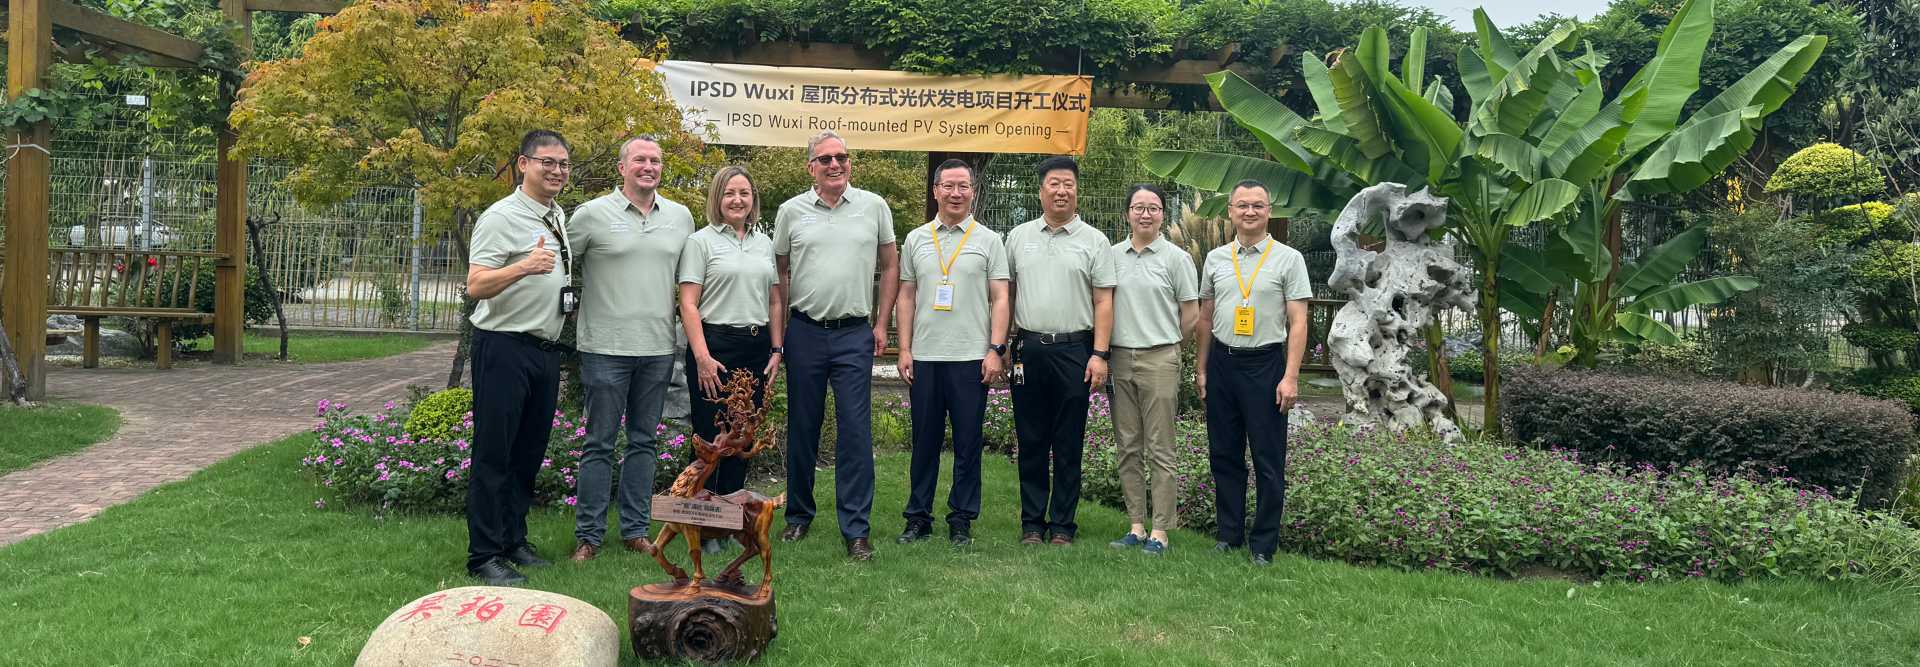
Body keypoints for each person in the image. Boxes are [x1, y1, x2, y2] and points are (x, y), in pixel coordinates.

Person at [563, 136, 695, 563]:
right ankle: (589, 536)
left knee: (644, 442)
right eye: (640, 159)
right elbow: (559, 266)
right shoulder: (591, 215)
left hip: (657, 347)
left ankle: (635, 531)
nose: (649, 166)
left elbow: (691, 281)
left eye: (655, 160)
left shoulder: (680, 217)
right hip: (605, 347)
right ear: (622, 167)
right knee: (599, 443)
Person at [773, 130, 898, 562]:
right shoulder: (790, 211)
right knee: (802, 426)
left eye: (841, 157)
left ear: (850, 163)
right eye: (825, 159)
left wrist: (881, 323)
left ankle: (856, 529)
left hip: (853, 334)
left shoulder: (874, 206)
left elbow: (890, 265)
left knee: (856, 432)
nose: (835, 164)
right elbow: (779, 272)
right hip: (805, 331)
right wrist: (781, 332)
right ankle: (798, 515)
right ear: (811, 167)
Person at [462, 129, 575, 585]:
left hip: (543, 350)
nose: (557, 171)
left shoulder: (555, 214)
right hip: (504, 347)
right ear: (523, 164)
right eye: (547, 162)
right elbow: (476, 285)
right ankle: (484, 555)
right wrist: (524, 266)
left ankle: (513, 540)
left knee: (528, 453)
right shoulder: (501, 216)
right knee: (495, 453)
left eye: (563, 164)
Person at [1195, 179, 1311, 567]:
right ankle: (1228, 535)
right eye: (1242, 205)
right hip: (1222, 364)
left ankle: (1263, 543)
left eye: (1257, 205)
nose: (1249, 211)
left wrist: (1290, 377)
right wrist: (1201, 368)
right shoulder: (1216, 259)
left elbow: (1298, 321)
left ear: (1268, 212)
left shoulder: (1288, 259)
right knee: (1224, 454)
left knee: (1267, 457)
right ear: (1230, 211)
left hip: (1266, 366)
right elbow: (1206, 317)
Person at [894, 159, 1010, 547]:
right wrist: (905, 348)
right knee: (924, 442)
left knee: (967, 443)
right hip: (925, 357)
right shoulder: (916, 239)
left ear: (973, 192)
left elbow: (1001, 297)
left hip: (971, 358)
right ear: (935, 191)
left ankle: (961, 518)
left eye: (963, 186)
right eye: (948, 186)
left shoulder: (989, 240)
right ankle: (918, 517)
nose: (955, 193)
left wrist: (995, 349)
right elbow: (906, 296)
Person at [1004, 155, 1115, 547]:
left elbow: (1104, 301)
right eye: (1054, 183)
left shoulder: (1095, 241)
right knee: (1031, 439)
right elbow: (1007, 294)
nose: (1061, 191)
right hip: (1028, 349)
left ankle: (1064, 525)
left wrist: (1099, 354)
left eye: (1068, 184)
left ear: (1077, 190)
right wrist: (1001, 344)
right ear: (1041, 191)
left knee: (1069, 441)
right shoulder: (1018, 237)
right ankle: (1032, 523)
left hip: (1075, 350)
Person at [678, 165, 785, 553]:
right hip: (714, 348)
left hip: (755, 348)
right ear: (717, 198)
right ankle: (705, 525)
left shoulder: (763, 242)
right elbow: (688, 303)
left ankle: (732, 522)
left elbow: (775, 301)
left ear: (753, 199)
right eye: (729, 193)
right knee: (711, 440)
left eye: (744, 193)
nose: (737, 200)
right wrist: (702, 356)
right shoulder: (700, 242)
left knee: (742, 439)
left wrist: (777, 350)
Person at [1105, 184, 1199, 556]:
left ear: (1162, 214)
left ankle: (1160, 530)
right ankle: (1135, 526)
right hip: (1119, 358)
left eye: (1153, 208)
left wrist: (1171, 347)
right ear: (1127, 213)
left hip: (1160, 358)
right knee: (1128, 446)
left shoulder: (1177, 259)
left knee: (1161, 447)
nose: (1146, 214)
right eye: (1139, 207)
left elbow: (1190, 314)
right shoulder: (1111, 256)